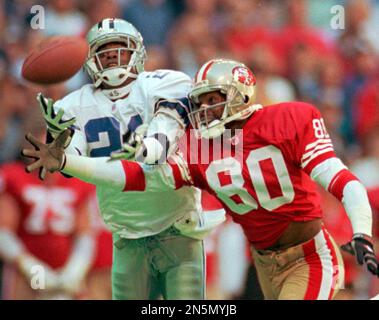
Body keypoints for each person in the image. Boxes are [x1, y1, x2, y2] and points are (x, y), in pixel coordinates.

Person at [22, 58, 379, 299]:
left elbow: (342, 180)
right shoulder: (196, 147)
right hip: (264, 261)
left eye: (213, 98)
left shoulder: (288, 119)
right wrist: (69, 161)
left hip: (309, 255)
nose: (203, 109)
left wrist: (361, 230)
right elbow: (134, 177)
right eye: (199, 101)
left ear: (239, 94)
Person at [33, 18, 225, 300]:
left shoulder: (163, 83)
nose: (111, 55)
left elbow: (164, 136)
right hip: (126, 233)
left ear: (138, 52)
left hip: (177, 226)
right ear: (90, 60)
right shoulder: (72, 105)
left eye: (119, 48)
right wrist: (62, 153)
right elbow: (70, 163)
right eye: (103, 50)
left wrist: (153, 145)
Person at [0, 116, 95, 300]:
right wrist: (29, 265)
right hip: (26, 276)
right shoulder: (14, 176)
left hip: (64, 274)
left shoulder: (76, 181)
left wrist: (75, 269)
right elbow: (3, 231)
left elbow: (85, 233)